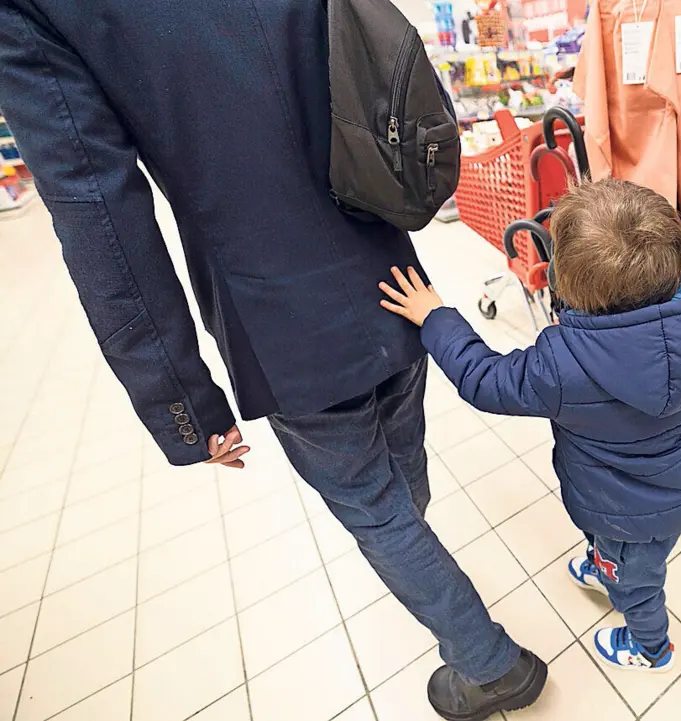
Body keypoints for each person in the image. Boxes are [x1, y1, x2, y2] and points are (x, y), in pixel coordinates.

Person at [0, 2, 545, 719]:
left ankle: (488, 661)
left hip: (278, 315)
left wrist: (185, 404)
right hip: (386, 263)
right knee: (400, 471)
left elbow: (101, 213)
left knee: (376, 509)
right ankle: (422, 561)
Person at [380, 179, 681, 672]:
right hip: (679, 485)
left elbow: (484, 380)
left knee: (637, 582)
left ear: (564, 284)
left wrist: (436, 317)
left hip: (618, 509)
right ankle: (606, 561)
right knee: (638, 553)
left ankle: (651, 645)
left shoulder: (562, 364)